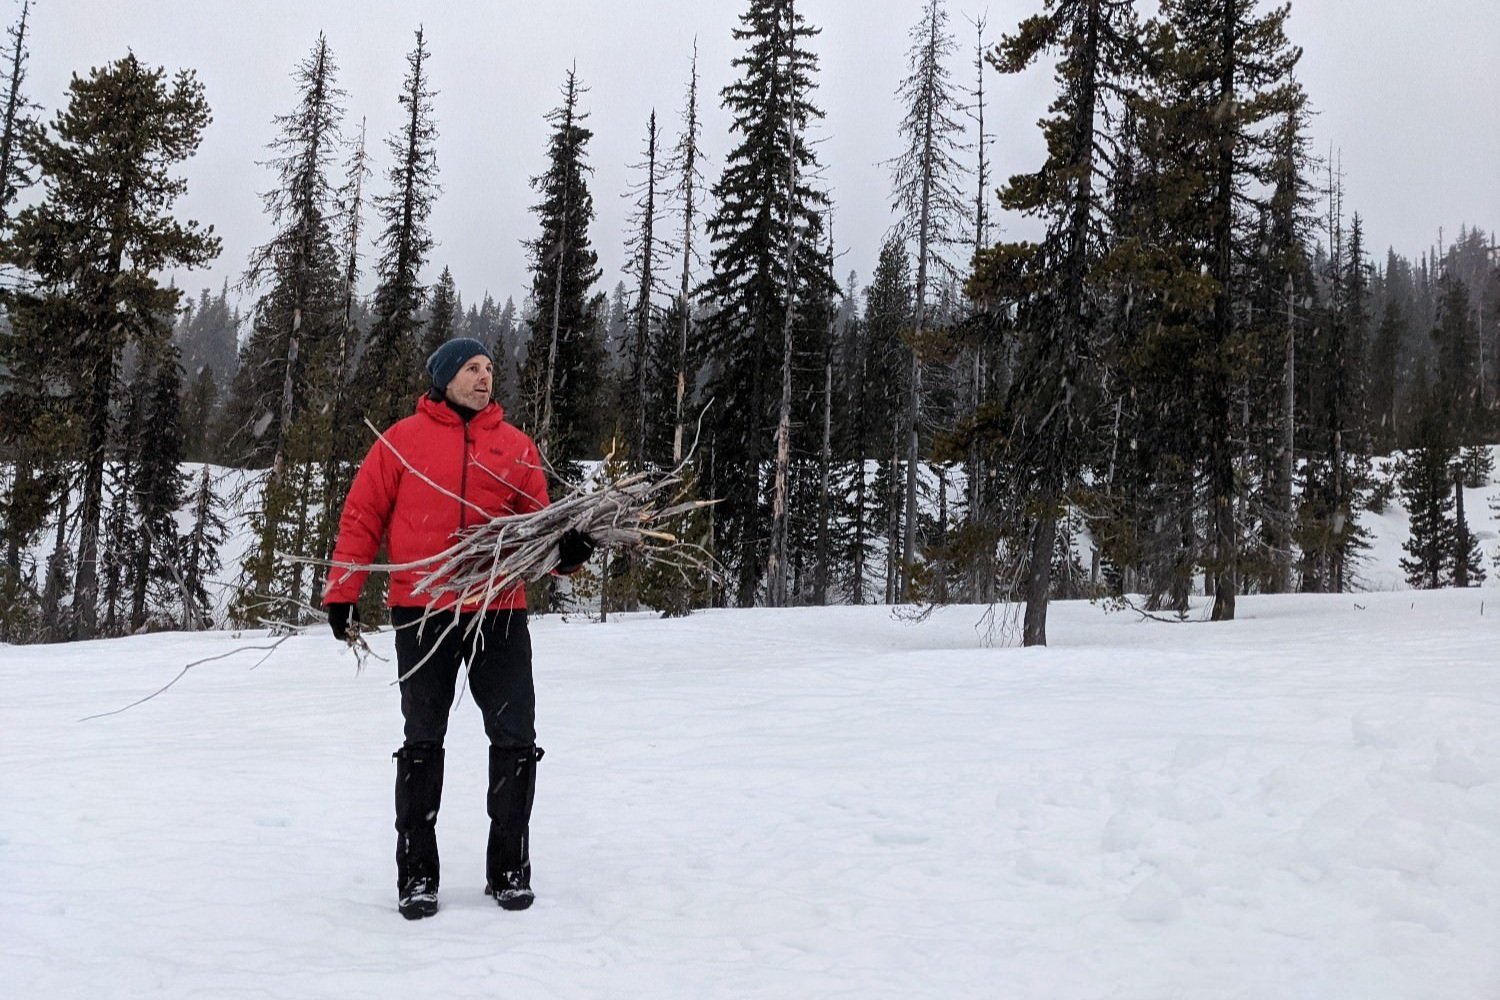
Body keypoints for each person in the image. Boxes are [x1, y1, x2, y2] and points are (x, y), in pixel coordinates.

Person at [322, 336, 594, 920]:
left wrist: (567, 553)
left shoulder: (516, 448)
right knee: (423, 741)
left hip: (499, 609)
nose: (484, 377)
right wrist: (342, 591)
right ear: (444, 377)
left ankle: (509, 870)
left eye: (490, 368)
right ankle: (417, 877)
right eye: (472, 368)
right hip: (423, 610)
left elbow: (539, 533)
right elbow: (362, 517)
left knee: (515, 739)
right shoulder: (401, 441)